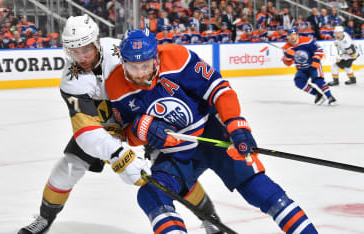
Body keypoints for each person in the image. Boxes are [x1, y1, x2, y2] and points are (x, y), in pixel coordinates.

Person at [18, 15, 223, 234]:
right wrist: (119, 155)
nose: (81, 58)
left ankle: (210, 218)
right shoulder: (71, 79)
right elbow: (86, 131)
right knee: (68, 167)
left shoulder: (118, 51)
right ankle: (44, 218)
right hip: (103, 127)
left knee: (168, 170)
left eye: (86, 50)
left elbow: (157, 71)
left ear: (96, 42)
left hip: (141, 115)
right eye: (74, 52)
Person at [106, 28, 319, 234]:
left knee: (260, 188)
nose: (141, 73)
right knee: (151, 194)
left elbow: (219, 89)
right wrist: (139, 129)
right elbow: (125, 134)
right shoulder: (115, 85)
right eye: (133, 67)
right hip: (172, 152)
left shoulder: (177, 57)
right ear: (123, 62)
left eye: (146, 65)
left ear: (156, 57)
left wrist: (235, 123)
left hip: (212, 134)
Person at [282, 28, 336, 105]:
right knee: (299, 82)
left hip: (313, 65)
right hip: (301, 68)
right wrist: (288, 56)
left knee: (318, 80)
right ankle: (318, 95)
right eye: (290, 35)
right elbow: (287, 63)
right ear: (288, 37)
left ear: (297, 35)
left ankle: (330, 97)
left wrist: (316, 61)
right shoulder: (286, 48)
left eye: (294, 34)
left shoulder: (307, 40)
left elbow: (319, 50)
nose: (292, 37)